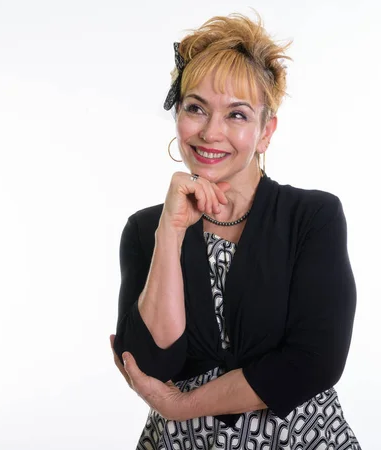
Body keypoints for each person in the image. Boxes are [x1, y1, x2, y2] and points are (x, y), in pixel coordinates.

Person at [110, 12, 361, 450]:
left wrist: (180, 405)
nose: (211, 132)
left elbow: (312, 363)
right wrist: (169, 233)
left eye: (237, 115)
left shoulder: (313, 217)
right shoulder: (144, 229)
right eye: (195, 108)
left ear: (266, 131)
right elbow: (148, 362)